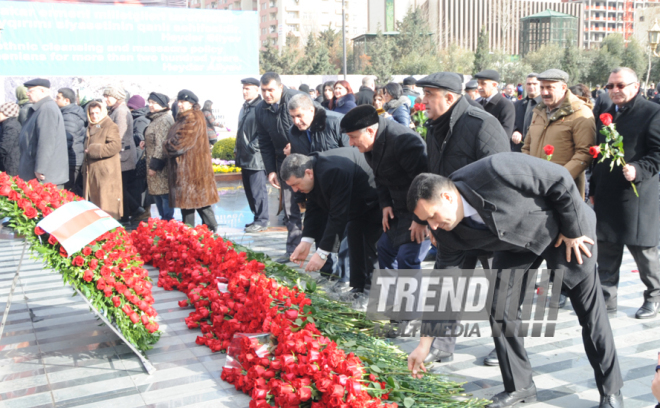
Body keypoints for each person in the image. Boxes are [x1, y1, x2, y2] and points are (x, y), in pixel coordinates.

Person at [407, 154, 624, 408]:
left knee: (590, 312)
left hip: (563, 232)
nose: (433, 226)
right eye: (426, 221)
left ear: (447, 197)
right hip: (515, 245)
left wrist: (573, 231)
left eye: (433, 216)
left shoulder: (495, 170)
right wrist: (424, 345)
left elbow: (560, 179)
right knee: (500, 307)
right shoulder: (447, 232)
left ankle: (611, 392)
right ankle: (520, 387)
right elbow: (445, 287)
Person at [417, 72, 510, 365]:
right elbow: (433, 175)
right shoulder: (434, 127)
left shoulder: (482, 124)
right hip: (451, 224)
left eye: (428, 95)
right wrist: (433, 220)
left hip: (487, 226)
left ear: (449, 96)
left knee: (500, 291)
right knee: (446, 283)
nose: (423, 102)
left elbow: (501, 179)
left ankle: (506, 348)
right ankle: (441, 344)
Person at [591, 67, 660, 320]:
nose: (614, 91)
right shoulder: (606, 114)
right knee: (607, 248)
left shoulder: (652, 112)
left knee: (643, 251)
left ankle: (654, 295)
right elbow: (599, 157)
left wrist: (638, 170)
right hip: (608, 194)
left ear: (635, 86)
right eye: (610, 86)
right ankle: (607, 300)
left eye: (620, 85)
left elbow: (657, 154)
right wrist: (594, 189)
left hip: (637, 195)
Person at [285, 149, 381, 309]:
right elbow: (314, 207)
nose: (295, 190)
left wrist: (322, 253)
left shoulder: (332, 171)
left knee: (371, 249)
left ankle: (372, 295)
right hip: (357, 205)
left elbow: (337, 216)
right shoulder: (313, 172)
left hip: (374, 199)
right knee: (355, 240)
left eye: (295, 184)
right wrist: (306, 241)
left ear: (308, 173)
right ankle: (357, 288)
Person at [341, 105, 431, 273]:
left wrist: (421, 220)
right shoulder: (370, 143)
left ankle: (409, 299)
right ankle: (392, 298)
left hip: (422, 208)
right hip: (398, 208)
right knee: (384, 249)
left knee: (407, 258)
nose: (350, 143)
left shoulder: (402, 140)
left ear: (369, 131)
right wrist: (385, 204)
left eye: (353, 137)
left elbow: (425, 182)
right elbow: (379, 176)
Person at [522, 69, 595, 198]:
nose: (544, 92)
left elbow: (584, 153)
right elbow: (527, 146)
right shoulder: (538, 111)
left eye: (550, 87)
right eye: (542, 87)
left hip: (563, 190)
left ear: (563, 87)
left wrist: (559, 179)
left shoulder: (580, 112)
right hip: (535, 186)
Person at [255, 72, 304, 263]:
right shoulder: (260, 109)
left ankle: (326, 254)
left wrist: (296, 144)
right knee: (290, 209)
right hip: (282, 163)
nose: (267, 94)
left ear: (281, 87)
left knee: (319, 206)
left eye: (271, 90)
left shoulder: (296, 98)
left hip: (307, 159)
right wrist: (271, 170)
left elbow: (313, 124)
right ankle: (293, 250)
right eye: (263, 90)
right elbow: (264, 141)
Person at [164, 90, 218, 231]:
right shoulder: (185, 117)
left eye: (183, 102)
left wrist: (166, 145)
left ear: (191, 103)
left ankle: (201, 233)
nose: (180, 104)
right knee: (197, 202)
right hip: (191, 169)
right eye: (179, 101)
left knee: (192, 204)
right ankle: (202, 232)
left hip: (190, 170)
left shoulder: (191, 117)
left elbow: (180, 144)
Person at [18, 78, 69, 188]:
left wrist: (41, 168)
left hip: (45, 177)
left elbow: (47, 141)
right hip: (39, 174)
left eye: (31, 91)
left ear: (42, 91)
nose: (27, 94)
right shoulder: (42, 107)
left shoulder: (47, 109)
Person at [103, 85, 143, 222]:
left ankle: (131, 212)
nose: (106, 99)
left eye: (108, 96)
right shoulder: (116, 110)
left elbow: (119, 134)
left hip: (122, 155)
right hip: (121, 154)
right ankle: (130, 212)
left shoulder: (120, 111)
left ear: (117, 97)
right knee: (120, 187)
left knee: (120, 187)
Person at [236, 78, 269, 233]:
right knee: (249, 191)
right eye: (243, 88)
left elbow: (264, 131)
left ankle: (262, 220)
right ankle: (257, 217)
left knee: (258, 190)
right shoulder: (245, 107)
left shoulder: (261, 107)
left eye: (248, 88)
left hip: (256, 156)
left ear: (257, 90)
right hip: (245, 156)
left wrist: (252, 147)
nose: (244, 91)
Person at [83, 101, 123, 219]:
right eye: (92, 113)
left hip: (106, 172)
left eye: (97, 113)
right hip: (94, 171)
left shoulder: (110, 125)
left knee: (107, 204)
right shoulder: (91, 126)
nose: (94, 116)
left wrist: (94, 150)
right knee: (97, 204)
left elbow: (116, 146)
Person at [144, 92, 175, 221]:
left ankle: (167, 223)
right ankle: (164, 223)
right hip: (154, 165)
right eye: (149, 102)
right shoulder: (156, 118)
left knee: (163, 195)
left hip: (160, 167)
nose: (150, 105)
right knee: (158, 194)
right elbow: (154, 138)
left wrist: (154, 166)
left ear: (162, 105)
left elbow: (161, 145)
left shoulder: (163, 120)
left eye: (154, 103)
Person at [56, 87, 86, 195]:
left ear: (66, 100)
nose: (55, 100)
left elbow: (68, 138)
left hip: (72, 159)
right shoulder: (71, 113)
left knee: (72, 190)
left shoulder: (69, 116)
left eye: (58, 97)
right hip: (74, 157)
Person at [475, 69, 515, 140]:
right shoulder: (478, 103)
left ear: (494, 85)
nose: (479, 87)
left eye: (483, 84)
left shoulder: (505, 105)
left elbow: (505, 135)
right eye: (478, 83)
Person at [511, 73, 541, 152]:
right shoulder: (517, 105)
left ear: (540, 85)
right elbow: (510, 122)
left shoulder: (545, 105)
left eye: (535, 84)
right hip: (518, 148)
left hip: (538, 149)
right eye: (529, 84)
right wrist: (514, 131)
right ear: (525, 85)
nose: (531, 86)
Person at [0, 103, 21, 176]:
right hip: (7, 163)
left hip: (10, 165)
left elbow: (4, 148)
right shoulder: (5, 124)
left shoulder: (11, 127)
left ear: (6, 113)